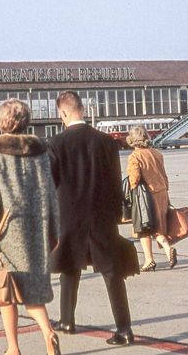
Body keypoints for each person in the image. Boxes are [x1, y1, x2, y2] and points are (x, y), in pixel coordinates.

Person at [48, 90, 139, 346]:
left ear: (63, 113)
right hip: (102, 216)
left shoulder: (56, 144)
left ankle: (67, 320)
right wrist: (117, 213)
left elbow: (50, 183)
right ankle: (124, 328)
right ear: (83, 110)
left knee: (69, 265)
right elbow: (114, 182)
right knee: (112, 272)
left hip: (69, 216)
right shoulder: (107, 142)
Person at [0, 99, 61, 355]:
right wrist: (54, 230)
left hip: (6, 232)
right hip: (37, 229)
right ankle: (48, 332)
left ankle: (13, 348)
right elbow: (51, 193)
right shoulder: (41, 153)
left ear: (1, 121)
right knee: (32, 289)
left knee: (7, 289)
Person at [126, 125, 177, 271]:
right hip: (161, 192)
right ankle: (168, 250)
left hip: (146, 196)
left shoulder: (135, 156)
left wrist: (129, 189)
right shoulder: (157, 153)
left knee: (144, 227)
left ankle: (149, 260)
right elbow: (164, 175)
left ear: (132, 139)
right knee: (159, 227)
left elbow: (134, 179)